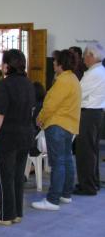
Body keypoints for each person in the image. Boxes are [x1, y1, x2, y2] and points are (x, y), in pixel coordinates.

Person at [0, 49, 35, 226]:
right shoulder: (28, 84)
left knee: (4, 177)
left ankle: (5, 215)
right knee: (16, 175)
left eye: (2, 63)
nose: (1, 66)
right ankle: (17, 212)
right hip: (25, 135)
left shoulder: (4, 85)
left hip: (7, 138)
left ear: (7, 66)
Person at [32, 50, 81, 210]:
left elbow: (50, 104)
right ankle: (65, 194)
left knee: (57, 162)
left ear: (61, 63)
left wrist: (40, 118)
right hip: (69, 126)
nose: (53, 63)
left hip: (57, 125)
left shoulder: (63, 81)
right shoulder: (73, 79)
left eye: (55, 61)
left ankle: (52, 200)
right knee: (66, 159)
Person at [74, 43, 105, 196]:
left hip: (89, 114)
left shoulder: (95, 73)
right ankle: (92, 183)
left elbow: (78, 92)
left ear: (92, 56)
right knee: (92, 151)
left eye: (85, 55)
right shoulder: (98, 71)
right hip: (95, 114)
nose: (83, 59)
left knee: (85, 151)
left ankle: (87, 186)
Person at [28, 82, 47, 158]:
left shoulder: (36, 106)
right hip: (44, 140)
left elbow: (34, 124)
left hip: (37, 142)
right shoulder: (44, 104)